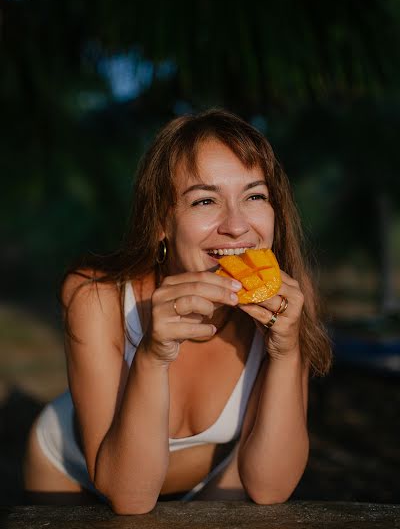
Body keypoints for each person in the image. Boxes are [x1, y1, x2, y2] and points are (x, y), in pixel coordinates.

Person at [23, 109, 331, 514]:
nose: (237, 226)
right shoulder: (94, 296)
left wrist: (286, 349)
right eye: (205, 200)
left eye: (255, 195)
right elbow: (129, 497)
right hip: (77, 473)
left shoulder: (288, 300)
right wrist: (153, 355)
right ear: (161, 223)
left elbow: (270, 488)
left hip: (218, 475)